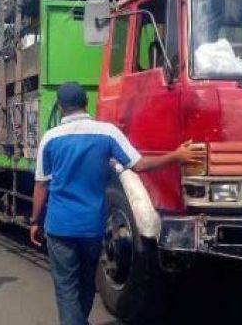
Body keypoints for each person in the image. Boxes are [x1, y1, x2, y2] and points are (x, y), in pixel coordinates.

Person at [30, 82, 205, 325]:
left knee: (66, 289)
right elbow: (139, 165)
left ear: (60, 107)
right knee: (87, 283)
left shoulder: (50, 139)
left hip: (59, 226)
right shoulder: (108, 133)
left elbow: (41, 185)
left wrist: (35, 220)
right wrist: (176, 156)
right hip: (91, 227)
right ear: (86, 103)